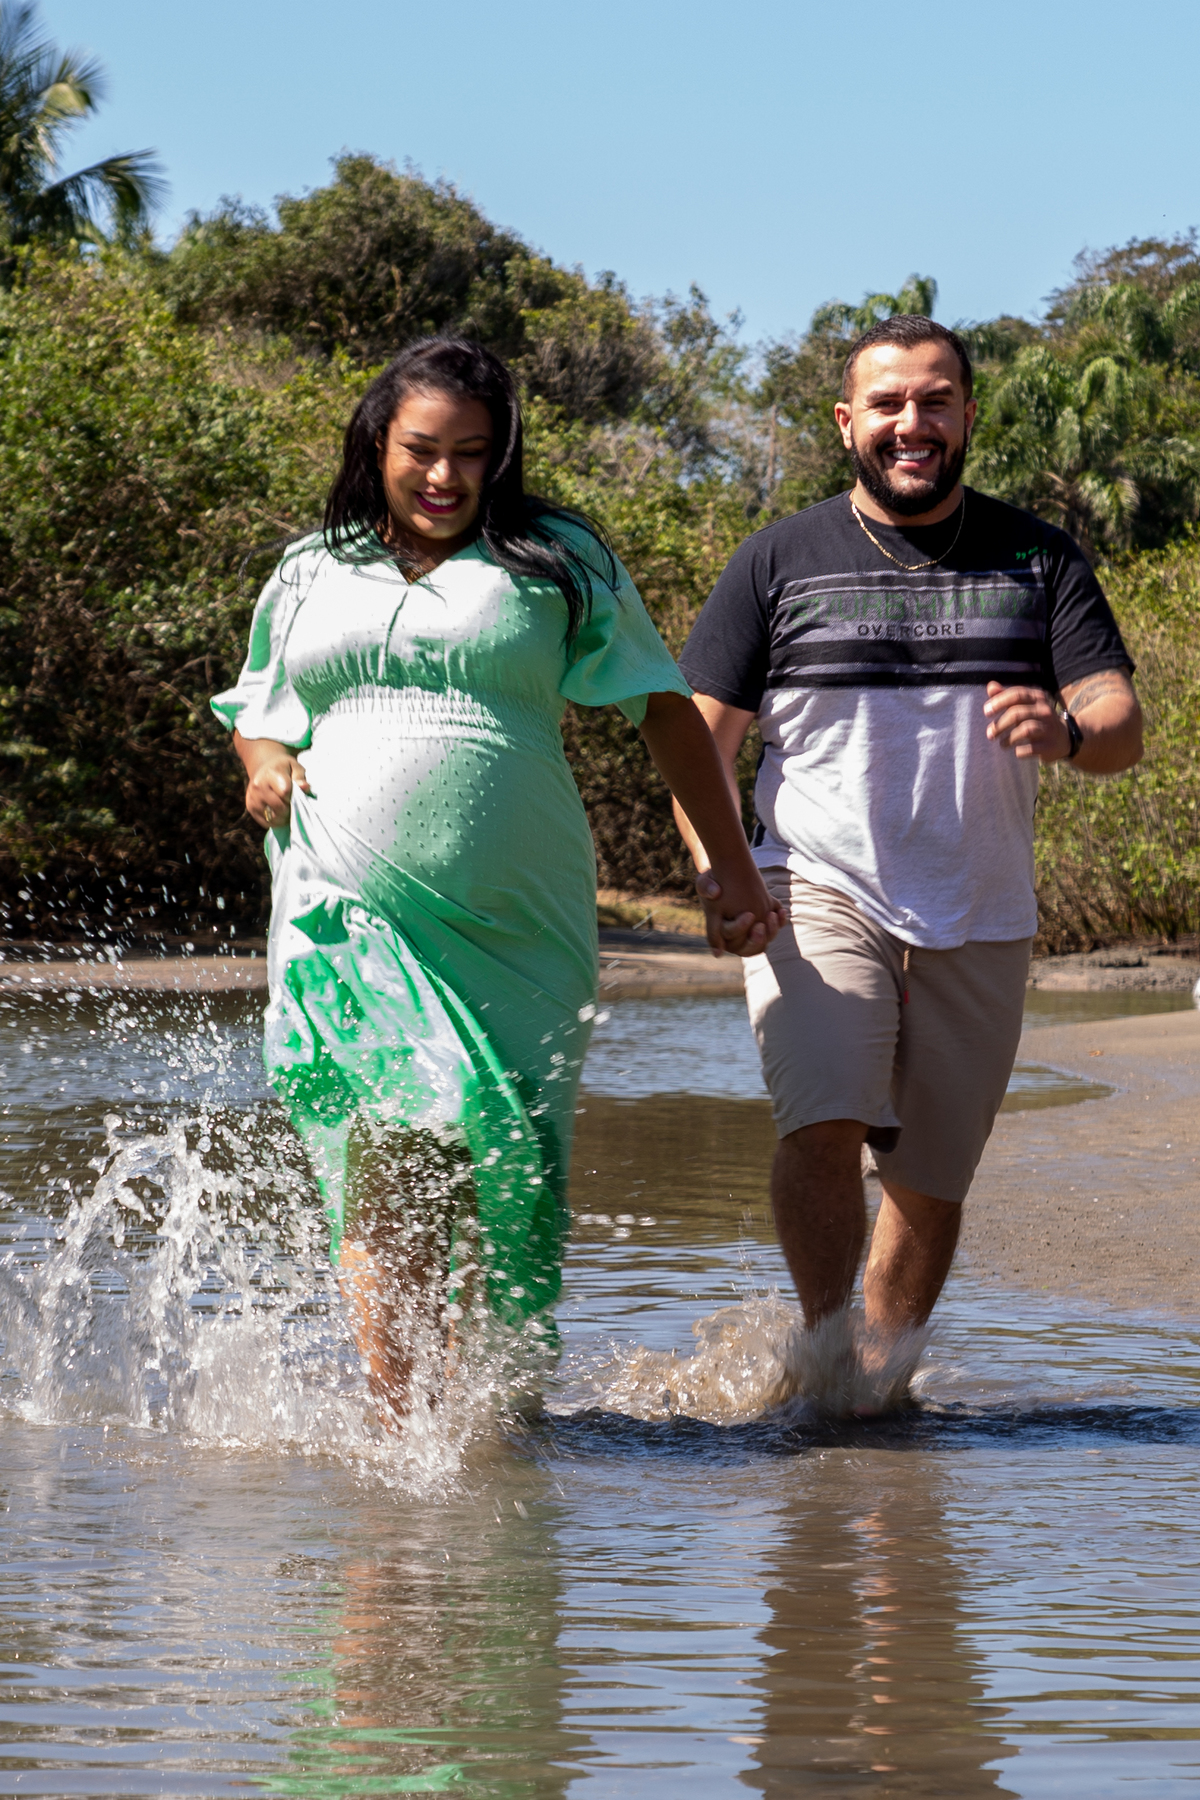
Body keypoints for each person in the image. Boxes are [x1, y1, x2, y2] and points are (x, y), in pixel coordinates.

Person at [212, 337, 781, 1424]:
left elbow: (664, 710)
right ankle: (400, 1428)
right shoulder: (310, 569)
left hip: (518, 919)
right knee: (385, 1156)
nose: (445, 476)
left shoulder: (556, 558)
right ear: (377, 444)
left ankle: (487, 1417)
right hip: (344, 900)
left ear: (502, 455)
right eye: (422, 450)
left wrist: (729, 868)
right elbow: (257, 708)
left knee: (497, 1161)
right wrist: (266, 763)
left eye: (472, 452)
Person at [673, 315, 1143, 1397]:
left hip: (980, 903)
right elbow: (700, 741)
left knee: (930, 1181)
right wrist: (719, 869)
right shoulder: (778, 560)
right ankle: (824, 1355)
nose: (911, 423)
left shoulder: (1038, 556)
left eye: (934, 401)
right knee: (825, 1121)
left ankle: (875, 1389)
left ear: (967, 416)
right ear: (848, 422)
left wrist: (1069, 731)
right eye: (887, 403)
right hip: (814, 884)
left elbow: (1119, 722)